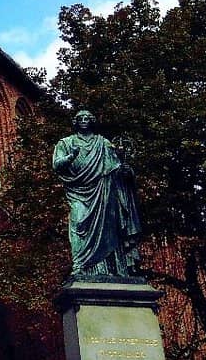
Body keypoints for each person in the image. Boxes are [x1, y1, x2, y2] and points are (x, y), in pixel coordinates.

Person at [52, 110, 142, 277]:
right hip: (78, 191)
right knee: (78, 222)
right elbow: (57, 165)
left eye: (87, 118)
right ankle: (80, 264)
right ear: (76, 122)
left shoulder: (104, 143)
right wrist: (71, 157)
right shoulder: (66, 142)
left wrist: (126, 172)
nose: (84, 120)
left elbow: (116, 170)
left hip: (104, 193)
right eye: (81, 118)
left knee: (109, 229)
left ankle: (111, 268)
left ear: (92, 121)